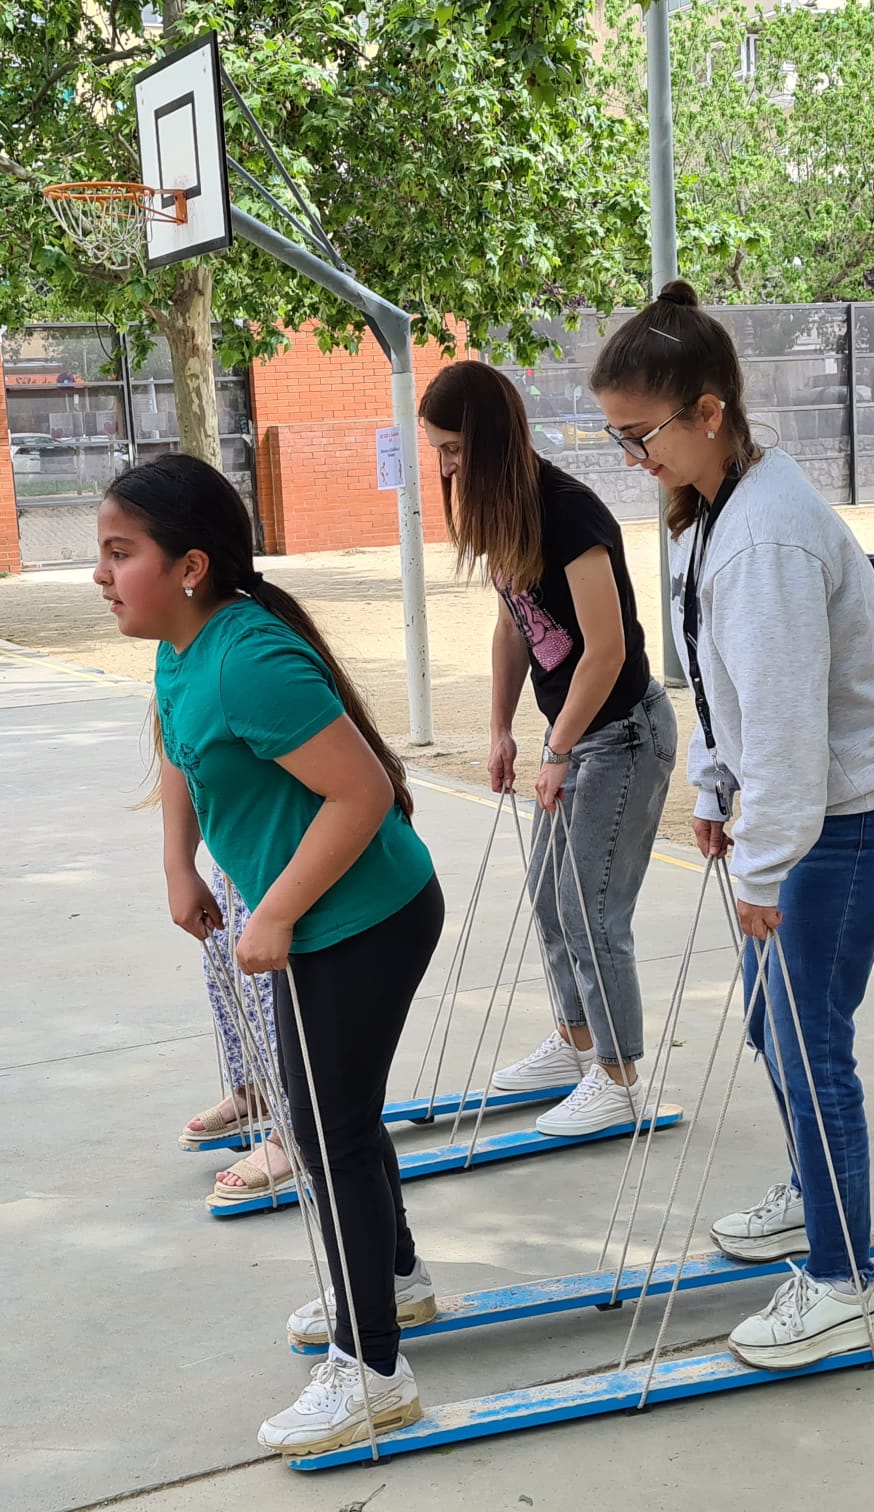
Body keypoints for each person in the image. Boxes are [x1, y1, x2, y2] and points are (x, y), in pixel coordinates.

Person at [590, 283, 874, 1370]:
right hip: (813, 807)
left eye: (643, 435)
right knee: (768, 1023)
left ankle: (842, 1284)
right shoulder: (714, 507)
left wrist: (760, 866)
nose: (633, 458)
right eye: (615, 438)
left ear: (709, 412)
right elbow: (723, 683)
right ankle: (814, 1195)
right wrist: (710, 788)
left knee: (808, 1043)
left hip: (854, 812)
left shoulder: (765, 540)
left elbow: (789, 735)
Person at [97, 455, 440, 1454]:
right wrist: (179, 866)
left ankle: (372, 1373)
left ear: (190, 566)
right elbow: (180, 749)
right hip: (317, 918)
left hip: (365, 918)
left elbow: (363, 791)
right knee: (334, 1117)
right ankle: (397, 1282)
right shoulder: (180, 644)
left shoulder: (247, 658)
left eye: (121, 553)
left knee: (331, 1135)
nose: (101, 575)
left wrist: (277, 911)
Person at [418, 361, 677, 1137]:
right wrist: (501, 728)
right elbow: (514, 624)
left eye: (454, 449)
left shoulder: (569, 512)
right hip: (577, 736)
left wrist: (556, 750)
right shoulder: (505, 514)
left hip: (624, 735)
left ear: (491, 439)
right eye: (438, 451)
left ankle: (619, 1078)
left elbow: (606, 650)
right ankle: (576, 1044)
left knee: (590, 910)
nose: (446, 468)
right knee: (547, 896)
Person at [178, 860, 297, 1205]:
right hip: (236, 864)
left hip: (286, 867)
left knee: (271, 987)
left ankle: (295, 1126)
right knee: (227, 969)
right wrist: (179, 866)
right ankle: (256, 1089)